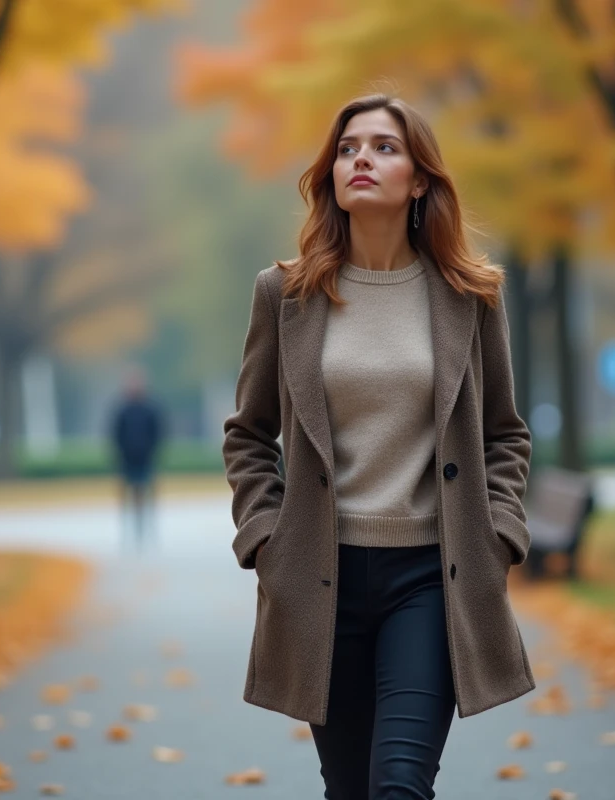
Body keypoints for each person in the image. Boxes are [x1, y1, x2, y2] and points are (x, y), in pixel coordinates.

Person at [222, 94, 534, 799]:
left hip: (431, 577)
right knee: (350, 789)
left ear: (419, 179)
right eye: (347, 147)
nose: (360, 157)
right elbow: (247, 432)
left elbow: (505, 434)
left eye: (384, 146)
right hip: (318, 579)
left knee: (398, 785)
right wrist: (266, 536)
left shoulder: (469, 295)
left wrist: (500, 532)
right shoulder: (285, 294)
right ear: (331, 174)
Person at [110, 368, 165, 552]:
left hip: (146, 459)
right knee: (126, 495)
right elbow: (115, 434)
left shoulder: (150, 409)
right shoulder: (122, 410)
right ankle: (127, 528)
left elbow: (158, 433)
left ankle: (145, 527)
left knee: (146, 494)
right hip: (127, 460)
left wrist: (153, 452)